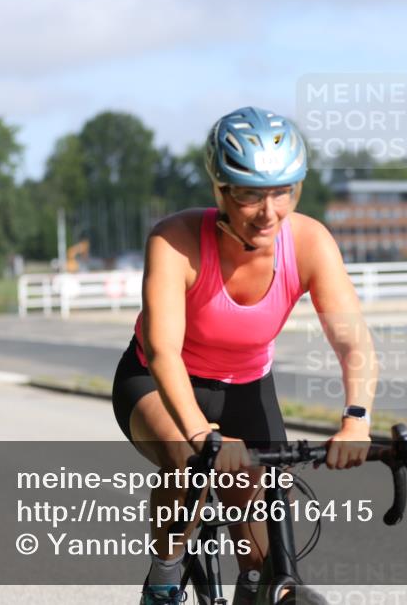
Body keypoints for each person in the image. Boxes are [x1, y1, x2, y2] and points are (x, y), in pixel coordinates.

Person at [111, 106, 377, 604]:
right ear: (221, 191)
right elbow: (164, 350)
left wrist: (357, 418)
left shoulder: (309, 241)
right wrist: (200, 433)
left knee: (262, 556)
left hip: (248, 387)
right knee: (190, 463)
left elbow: (353, 339)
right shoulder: (175, 240)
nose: (268, 211)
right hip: (159, 383)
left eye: (282, 192)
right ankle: (165, 579)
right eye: (250, 194)